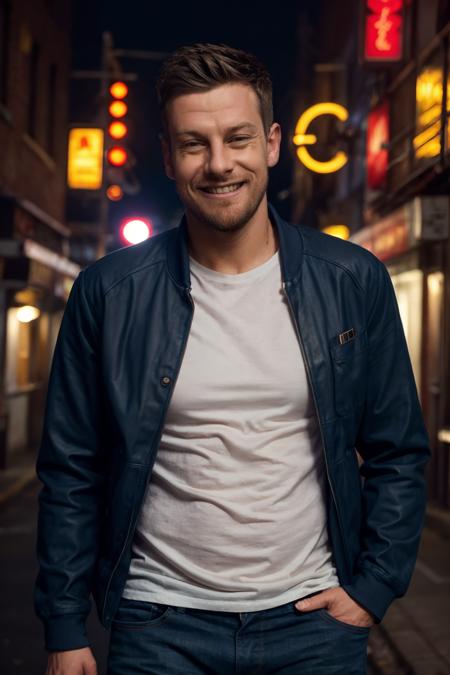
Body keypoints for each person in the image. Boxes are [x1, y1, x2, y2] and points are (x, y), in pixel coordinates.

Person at [35, 42, 430, 675]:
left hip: (314, 627)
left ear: (273, 143)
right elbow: (71, 468)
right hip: (157, 625)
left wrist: (373, 588)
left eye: (238, 139)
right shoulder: (108, 293)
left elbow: (397, 451)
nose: (219, 164)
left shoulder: (352, 280)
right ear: (168, 157)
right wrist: (63, 625)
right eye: (194, 144)